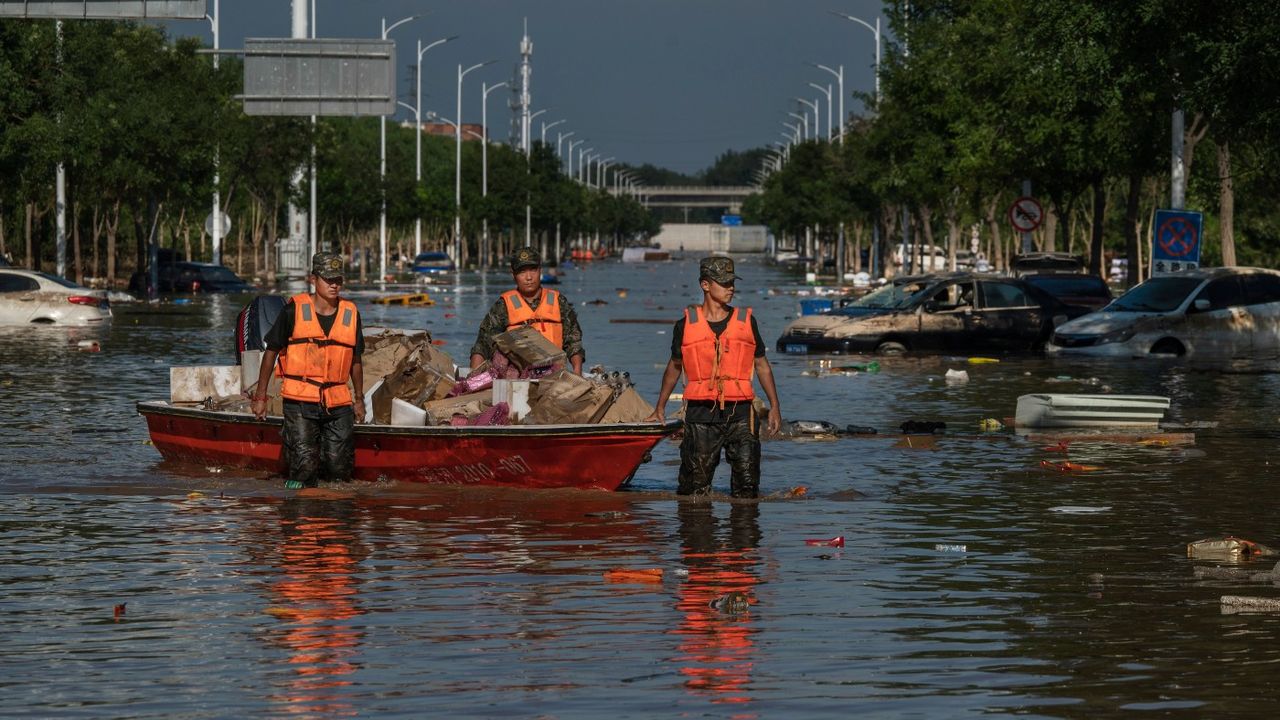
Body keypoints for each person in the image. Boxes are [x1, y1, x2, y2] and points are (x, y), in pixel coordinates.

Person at [646, 257, 782, 498]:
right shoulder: (685, 325)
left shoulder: (746, 321)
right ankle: (697, 533)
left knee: (747, 486)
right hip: (700, 413)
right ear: (705, 285)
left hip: (741, 413)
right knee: (694, 488)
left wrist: (774, 406)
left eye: (732, 282)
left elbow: (761, 365)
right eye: (724, 282)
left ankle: (744, 533)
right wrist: (660, 407)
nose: (731, 287)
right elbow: (674, 367)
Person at [252, 252, 365, 489]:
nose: (335, 285)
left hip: (338, 401)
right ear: (313, 279)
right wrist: (261, 397)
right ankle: (300, 515)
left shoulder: (351, 313)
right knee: (304, 467)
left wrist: (359, 399)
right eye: (328, 279)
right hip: (300, 400)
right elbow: (271, 351)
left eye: (339, 280)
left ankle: (336, 519)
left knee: (339, 469)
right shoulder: (293, 310)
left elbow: (355, 359)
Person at [469, 246, 585, 374]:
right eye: (522, 272)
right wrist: (473, 376)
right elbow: (482, 344)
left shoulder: (558, 301)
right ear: (513, 275)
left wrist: (577, 372)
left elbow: (574, 342)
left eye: (533, 270)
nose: (528, 277)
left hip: (553, 374)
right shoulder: (504, 305)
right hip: (515, 376)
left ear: (540, 270)